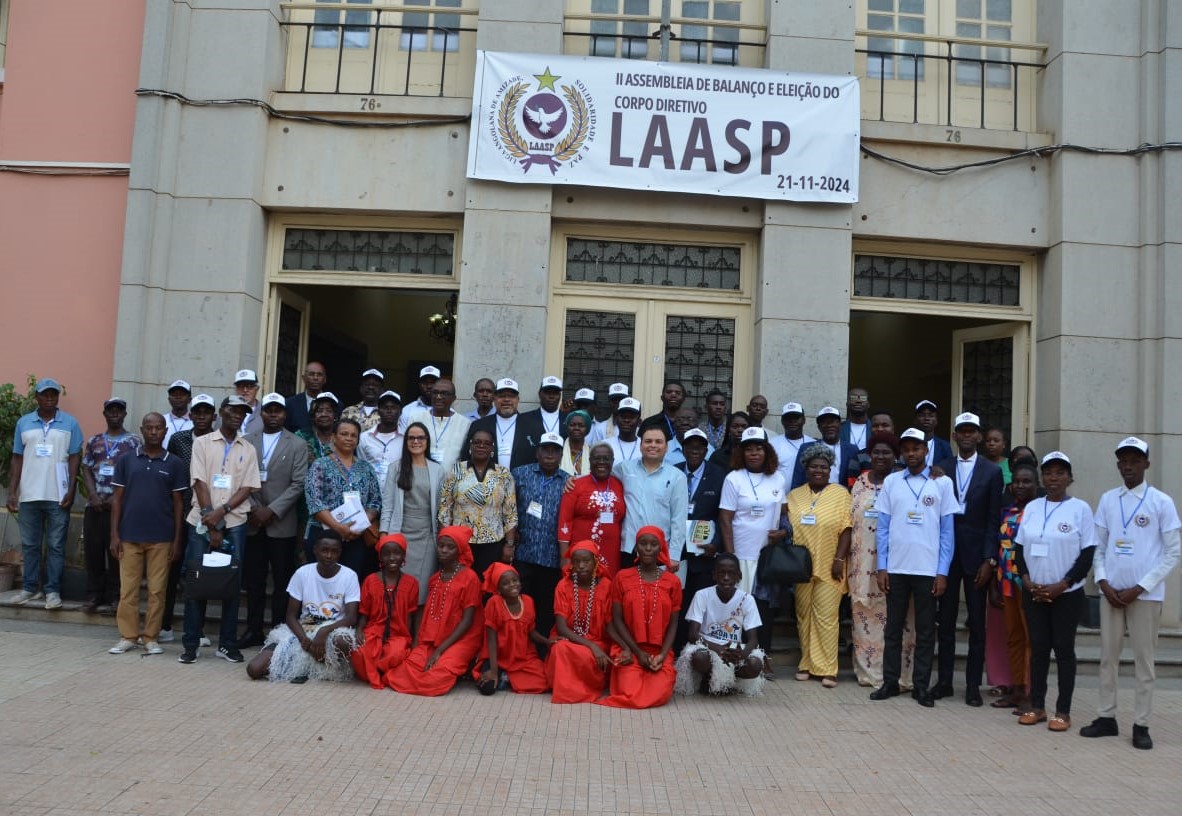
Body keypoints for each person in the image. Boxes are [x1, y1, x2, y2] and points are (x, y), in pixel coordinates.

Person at [1082, 436, 1181, 750]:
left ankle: (1142, 723)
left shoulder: (1160, 502)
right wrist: (1103, 582)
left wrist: (1141, 586)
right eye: (1123, 461)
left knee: (1144, 661)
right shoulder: (1109, 499)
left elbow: (1173, 552)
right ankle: (1107, 717)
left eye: (1134, 461)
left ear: (1146, 464)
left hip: (1145, 596)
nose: (1128, 466)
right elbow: (1098, 546)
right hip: (1111, 594)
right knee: (1107, 658)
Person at [869, 428, 956, 707]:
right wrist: (882, 567)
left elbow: (947, 533)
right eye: (906, 448)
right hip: (896, 567)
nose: (911, 453)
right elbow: (882, 529)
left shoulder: (941, 483)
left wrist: (942, 571)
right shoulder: (892, 482)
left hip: (928, 570)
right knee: (892, 628)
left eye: (916, 448)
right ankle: (890, 682)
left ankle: (921, 686)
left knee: (925, 630)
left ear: (926, 450)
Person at [1012, 451, 1095, 732]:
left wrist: (1062, 585)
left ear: (1070, 478)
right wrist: (1026, 580)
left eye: (1060, 473)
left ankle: (1063, 711)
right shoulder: (1034, 507)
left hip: (1066, 594)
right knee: (1038, 650)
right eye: (1049, 473)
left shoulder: (1081, 509)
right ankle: (1037, 706)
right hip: (1034, 592)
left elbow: (1087, 554)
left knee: (1063, 650)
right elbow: (1019, 548)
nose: (1054, 478)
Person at [179, 395, 260, 665]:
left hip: (235, 522)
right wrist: (209, 518)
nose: (238, 414)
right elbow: (198, 482)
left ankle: (227, 644)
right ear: (221, 412)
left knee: (232, 586)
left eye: (243, 411)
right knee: (196, 582)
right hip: (201, 521)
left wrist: (221, 514)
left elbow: (248, 487)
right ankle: (191, 644)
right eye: (233, 410)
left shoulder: (247, 448)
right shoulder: (201, 443)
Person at [932, 412, 1004, 707]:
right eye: (961, 431)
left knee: (976, 622)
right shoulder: (941, 468)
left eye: (971, 431)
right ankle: (945, 682)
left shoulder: (991, 471)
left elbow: (993, 520)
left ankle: (973, 685)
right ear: (955, 435)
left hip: (977, 556)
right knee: (946, 621)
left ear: (978, 436)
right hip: (947, 555)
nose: (966, 436)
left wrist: (990, 559)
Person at [107, 412, 186, 655]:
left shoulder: (174, 463)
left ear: (165, 431)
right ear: (142, 430)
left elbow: (179, 505)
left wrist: (177, 540)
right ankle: (128, 636)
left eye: (158, 428)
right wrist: (114, 535)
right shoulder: (127, 460)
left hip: (162, 538)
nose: (154, 432)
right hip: (129, 536)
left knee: (156, 591)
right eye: (149, 428)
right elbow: (117, 501)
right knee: (128, 590)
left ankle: (151, 637)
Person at [7, 378, 83, 610]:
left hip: (58, 495)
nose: (49, 398)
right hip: (29, 494)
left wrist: (70, 490)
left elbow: (74, 457)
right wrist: (12, 491)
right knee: (30, 545)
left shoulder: (69, 423)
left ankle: (52, 591)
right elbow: (17, 457)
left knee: (56, 545)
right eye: (45, 395)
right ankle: (30, 588)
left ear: (58, 397)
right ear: (37, 397)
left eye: (53, 395)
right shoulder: (24, 422)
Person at [240, 393, 308, 649]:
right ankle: (253, 630)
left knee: (282, 582)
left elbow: (298, 483)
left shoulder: (297, 444)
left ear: (285, 414)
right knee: (254, 582)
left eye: (278, 411)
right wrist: (257, 509)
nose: (273, 415)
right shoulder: (247, 441)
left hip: (281, 523)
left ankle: (277, 633)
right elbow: (241, 479)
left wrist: (272, 510)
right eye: (268, 410)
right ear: (262, 413)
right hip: (253, 521)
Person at [246, 532, 360, 683]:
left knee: (343, 641)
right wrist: (305, 641)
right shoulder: (302, 573)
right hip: (304, 630)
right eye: (324, 550)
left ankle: (312, 667)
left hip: (333, 630)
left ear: (340, 553)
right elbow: (290, 616)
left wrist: (324, 631)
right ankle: (306, 666)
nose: (329, 555)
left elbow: (351, 617)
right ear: (315, 550)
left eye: (334, 551)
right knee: (254, 669)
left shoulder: (349, 576)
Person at [849, 432, 915, 689]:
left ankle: (900, 677)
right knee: (865, 620)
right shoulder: (859, 483)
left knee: (899, 619)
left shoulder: (903, 482)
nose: (881, 457)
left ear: (895, 456)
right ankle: (870, 674)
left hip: (896, 564)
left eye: (887, 452)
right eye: (876, 452)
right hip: (862, 566)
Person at [387, 526, 484, 696]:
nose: (444, 550)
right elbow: (428, 615)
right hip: (432, 639)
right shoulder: (435, 578)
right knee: (404, 670)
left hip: (461, 640)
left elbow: (467, 622)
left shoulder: (470, 578)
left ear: (459, 550)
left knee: (436, 679)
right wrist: (419, 644)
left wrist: (440, 651)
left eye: (450, 547)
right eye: (441, 546)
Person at [787, 443, 852, 688]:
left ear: (830, 469)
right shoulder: (794, 495)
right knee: (804, 616)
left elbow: (846, 528)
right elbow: (786, 525)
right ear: (805, 468)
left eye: (823, 467)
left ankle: (827, 669)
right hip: (800, 568)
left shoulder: (841, 494)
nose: (818, 470)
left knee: (826, 617)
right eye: (814, 466)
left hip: (830, 566)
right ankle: (806, 664)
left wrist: (839, 560)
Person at [596, 526, 682, 708]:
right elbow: (617, 620)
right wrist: (637, 652)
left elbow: (674, 625)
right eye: (643, 544)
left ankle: (660, 667)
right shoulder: (622, 577)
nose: (648, 548)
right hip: (629, 648)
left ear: (661, 549)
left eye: (653, 544)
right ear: (636, 548)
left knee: (660, 692)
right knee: (630, 693)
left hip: (659, 651)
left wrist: (662, 655)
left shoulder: (673, 581)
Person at [162, 393, 216, 642]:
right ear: (190, 415)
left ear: (214, 416)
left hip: (206, 516)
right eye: (198, 412)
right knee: (172, 569)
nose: (202, 416)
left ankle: (198, 628)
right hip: (178, 512)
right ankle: (165, 625)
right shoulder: (178, 439)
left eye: (207, 412)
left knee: (200, 573)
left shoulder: (219, 441)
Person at [80, 398, 141, 613]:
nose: (115, 414)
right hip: (95, 507)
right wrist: (93, 494)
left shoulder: (134, 442)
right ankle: (94, 595)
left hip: (120, 509)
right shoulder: (95, 440)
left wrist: (117, 498)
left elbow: (137, 473)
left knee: (118, 554)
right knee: (93, 553)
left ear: (124, 414)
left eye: (119, 410)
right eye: (110, 410)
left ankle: (116, 595)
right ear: (104, 414)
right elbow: (86, 468)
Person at [674, 553, 765, 696]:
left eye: (731, 573)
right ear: (714, 575)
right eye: (722, 573)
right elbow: (692, 635)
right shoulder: (702, 595)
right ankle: (708, 679)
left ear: (739, 576)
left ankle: (728, 681)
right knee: (700, 657)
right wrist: (718, 649)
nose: (726, 577)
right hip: (707, 646)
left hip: (733, 650)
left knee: (755, 665)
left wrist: (742, 653)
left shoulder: (747, 599)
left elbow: (753, 639)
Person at [305, 418, 382, 579]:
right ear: (333, 437)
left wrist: (360, 524)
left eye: (354, 435)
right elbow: (315, 502)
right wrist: (339, 528)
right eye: (344, 434)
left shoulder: (365, 467)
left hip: (356, 537)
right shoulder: (320, 465)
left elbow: (375, 501)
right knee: (321, 583)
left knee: (351, 582)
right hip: (324, 535)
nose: (349, 438)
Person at [379, 421, 444, 604]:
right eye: (411, 438)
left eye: (420, 437)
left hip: (427, 537)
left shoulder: (437, 469)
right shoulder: (396, 467)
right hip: (400, 534)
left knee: (422, 590)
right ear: (406, 441)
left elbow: (441, 508)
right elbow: (388, 505)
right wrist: (384, 535)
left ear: (427, 441)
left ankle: (418, 632)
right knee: (399, 589)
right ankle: (399, 629)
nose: (416, 441)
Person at [511, 432, 569, 637]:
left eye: (555, 451)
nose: (550, 455)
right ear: (538, 452)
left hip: (551, 557)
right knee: (520, 604)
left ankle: (543, 650)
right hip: (523, 553)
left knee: (546, 608)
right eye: (545, 449)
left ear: (562, 455)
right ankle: (518, 646)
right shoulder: (519, 474)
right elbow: (508, 507)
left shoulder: (568, 482)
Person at [989, 461, 1037, 710]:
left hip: (1030, 584)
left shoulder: (1040, 511)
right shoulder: (1006, 512)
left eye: (1026, 481)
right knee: (1014, 637)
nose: (1020, 485)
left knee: (1031, 638)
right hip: (1005, 581)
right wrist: (995, 583)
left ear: (1036, 485)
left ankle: (1031, 692)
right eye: (1017, 481)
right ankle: (1017, 689)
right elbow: (999, 547)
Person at [439, 427, 517, 576]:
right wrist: (444, 544)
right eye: (477, 442)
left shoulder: (503, 474)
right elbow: (444, 510)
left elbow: (510, 513)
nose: (481, 446)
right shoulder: (455, 471)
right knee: (462, 585)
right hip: (460, 543)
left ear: (492, 448)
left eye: (487, 443)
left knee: (487, 587)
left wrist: (509, 545)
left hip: (493, 543)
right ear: (470, 446)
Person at [674, 428, 726, 649]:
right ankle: (676, 649)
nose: (694, 450)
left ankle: (698, 649)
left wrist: (718, 544)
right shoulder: (673, 472)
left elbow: (724, 515)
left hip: (705, 553)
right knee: (678, 603)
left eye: (699, 447)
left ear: (706, 450)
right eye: (690, 446)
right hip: (677, 553)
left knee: (701, 603)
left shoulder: (719, 475)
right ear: (683, 449)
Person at [718, 427, 786, 595]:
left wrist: (784, 532)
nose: (754, 453)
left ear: (767, 451)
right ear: (741, 453)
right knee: (739, 606)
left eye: (759, 448)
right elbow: (725, 519)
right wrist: (730, 557)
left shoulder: (778, 478)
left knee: (763, 607)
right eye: (748, 449)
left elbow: (784, 512)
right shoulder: (733, 478)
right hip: (741, 554)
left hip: (768, 554)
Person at [547, 540, 615, 703]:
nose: (581, 566)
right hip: (570, 639)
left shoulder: (606, 586)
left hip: (598, 642)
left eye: (586, 561)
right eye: (576, 561)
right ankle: (567, 691)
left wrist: (596, 646)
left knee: (588, 655)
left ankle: (578, 688)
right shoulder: (563, 586)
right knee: (559, 649)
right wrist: (590, 646)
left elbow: (610, 626)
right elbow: (562, 628)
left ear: (595, 561)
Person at [615, 421, 687, 570]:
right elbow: (599, 476)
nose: (653, 445)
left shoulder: (677, 477)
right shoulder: (624, 468)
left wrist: (674, 555)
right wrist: (572, 481)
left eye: (658, 442)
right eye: (648, 441)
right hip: (629, 548)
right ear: (641, 445)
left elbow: (678, 519)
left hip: (659, 551)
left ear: (666, 447)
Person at [351, 534, 419, 688]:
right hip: (374, 630)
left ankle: (379, 669)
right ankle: (379, 670)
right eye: (386, 554)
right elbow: (364, 612)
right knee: (360, 652)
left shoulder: (411, 583)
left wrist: (410, 640)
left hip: (399, 633)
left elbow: (410, 616)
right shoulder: (370, 580)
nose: (392, 557)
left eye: (397, 553)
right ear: (380, 557)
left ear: (403, 557)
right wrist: (360, 629)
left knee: (397, 653)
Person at [474, 562, 551, 695]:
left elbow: (531, 631)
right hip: (498, 657)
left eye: (515, 580)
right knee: (487, 688)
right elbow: (491, 641)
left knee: (546, 682)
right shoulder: (494, 603)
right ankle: (502, 674)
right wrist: (493, 670)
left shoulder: (528, 601)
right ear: (498, 589)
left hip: (523, 656)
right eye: (506, 583)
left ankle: (507, 677)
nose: (512, 585)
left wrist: (547, 642)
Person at [558, 442, 626, 576]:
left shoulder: (619, 484)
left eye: (606, 458)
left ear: (612, 461)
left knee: (607, 590)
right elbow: (564, 522)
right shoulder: (575, 485)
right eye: (597, 458)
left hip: (611, 552)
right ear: (589, 460)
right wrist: (564, 556)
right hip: (581, 554)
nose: (601, 462)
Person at [463, 378, 536, 470]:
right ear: (494, 399)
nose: (506, 400)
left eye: (511, 396)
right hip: (487, 482)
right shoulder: (479, 425)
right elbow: (466, 457)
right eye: (502, 396)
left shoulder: (531, 426)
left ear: (518, 399)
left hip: (521, 482)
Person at [791, 406, 860, 489]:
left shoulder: (852, 449)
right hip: (812, 497)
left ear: (840, 425)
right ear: (819, 427)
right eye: (825, 422)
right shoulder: (807, 448)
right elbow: (798, 478)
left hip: (841, 498)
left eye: (833, 421)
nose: (829, 425)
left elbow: (856, 480)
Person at [415, 379, 471, 469]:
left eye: (444, 393)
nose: (438, 397)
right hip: (421, 478)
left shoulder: (465, 423)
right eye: (435, 393)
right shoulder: (416, 419)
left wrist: (457, 480)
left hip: (452, 479)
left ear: (454, 398)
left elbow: (464, 458)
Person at [356, 390, 403, 484]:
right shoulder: (364, 438)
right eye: (385, 407)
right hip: (372, 493)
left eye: (393, 407)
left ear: (400, 411)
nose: (389, 411)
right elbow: (362, 468)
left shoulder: (406, 439)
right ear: (378, 411)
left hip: (396, 493)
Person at [771, 402, 814, 485]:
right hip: (780, 496)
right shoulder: (772, 444)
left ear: (804, 420)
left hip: (807, 496)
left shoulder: (813, 444)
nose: (792, 421)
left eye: (796, 418)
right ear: (782, 421)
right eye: (788, 418)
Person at [284, 360, 327, 435]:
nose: (315, 378)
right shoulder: (290, 404)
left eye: (319, 374)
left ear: (324, 379)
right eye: (311, 374)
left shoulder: (336, 404)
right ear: (304, 378)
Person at [296, 392, 339, 463]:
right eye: (319, 411)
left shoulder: (341, 438)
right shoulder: (301, 436)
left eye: (329, 411)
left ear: (335, 417)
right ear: (313, 416)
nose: (324, 414)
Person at [340, 368, 386, 432]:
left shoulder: (387, 413)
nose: (371, 387)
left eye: (375, 385)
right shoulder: (348, 412)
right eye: (367, 384)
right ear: (361, 388)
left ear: (382, 390)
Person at [398, 365, 441, 431]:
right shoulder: (407, 410)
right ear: (419, 385)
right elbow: (403, 438)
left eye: (433, 382)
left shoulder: (448, 412)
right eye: (425, 382)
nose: (429, 386)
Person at [603, 397, 643, 467]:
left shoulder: (645, 446)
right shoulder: (605, 445)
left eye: (631, 417)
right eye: (623, 416)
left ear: (639, 422)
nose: (626, 420)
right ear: (617, 419)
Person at [914, 399, 953, 468]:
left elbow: (950, 468)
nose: (926, 418)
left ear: (936, 421)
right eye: (922, 415)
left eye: (931, 415)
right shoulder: (908, 443)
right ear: (915, 420)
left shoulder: (944, 446)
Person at [560, 410, 593, 477]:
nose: (576, 428)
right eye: (572, 425)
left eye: (581, 425)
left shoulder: (592, 453)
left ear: (587, 429)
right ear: (567, 427)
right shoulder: (559, 451)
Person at [163, 379, 193, 447]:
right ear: (169, 399)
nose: (178, 397)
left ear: (189, 399)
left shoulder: (196, 422)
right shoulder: (161, 420)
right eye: (174, 394)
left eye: (182, 394)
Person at [840, 387, 871, 451]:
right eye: (853, 398)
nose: (858, 401)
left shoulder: (876, 428)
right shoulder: (838, 428)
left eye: (863, 398)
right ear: (847, 404)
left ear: (868, 404)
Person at [233, 369, 261, 434]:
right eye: (241, 386)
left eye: (249, 386)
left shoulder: (265, 412)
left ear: (257, 388)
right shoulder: (227, 412)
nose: (245, 390)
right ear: (236, 389)